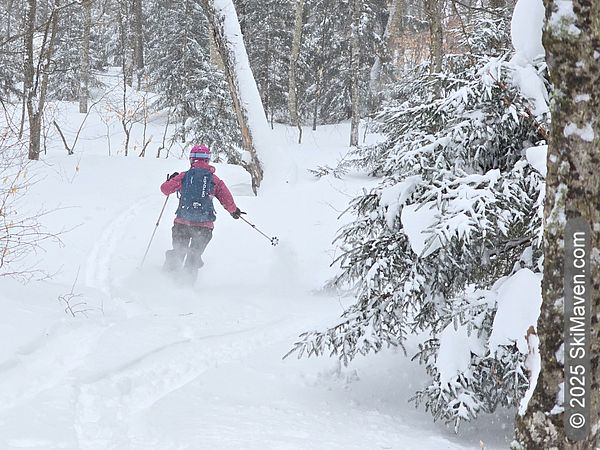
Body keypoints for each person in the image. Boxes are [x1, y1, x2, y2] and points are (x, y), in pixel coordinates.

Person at [160, 145, 244, 284]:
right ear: (208, 160)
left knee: (179, 251)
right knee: (194, 255)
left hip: (182, 223)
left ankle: (165, 282)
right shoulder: (214, 180)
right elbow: (227, 200)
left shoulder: (184, 176)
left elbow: (165, 190)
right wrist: (234, 211)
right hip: (204, 226)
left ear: (191, 159)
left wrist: (171, 180)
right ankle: (186, 287)